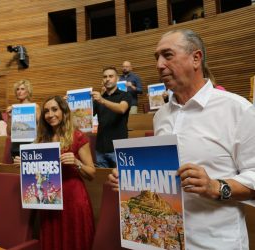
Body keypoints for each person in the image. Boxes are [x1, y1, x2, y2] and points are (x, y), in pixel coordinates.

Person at [109, 29, 255, 249]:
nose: (159, 64)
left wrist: (215, 186)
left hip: (217, 243)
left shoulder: (237, 109)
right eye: (156, 57)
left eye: (167, 55)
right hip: (166, 241)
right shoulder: (161, 117)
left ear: (196, 58)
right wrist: (131, 178)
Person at [36, 96, 95, 250]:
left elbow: (92, 173)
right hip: (50, 199)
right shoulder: (42, 139)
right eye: (46, 111)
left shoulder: (78, 136)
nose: (50, 114)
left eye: (55, 109)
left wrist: (77, 163)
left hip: (72, 198)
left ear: (64, 112)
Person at [91, 66, 131, 168]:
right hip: (100, 148)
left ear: (117, 79)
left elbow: (122, 109)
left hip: (119, 148)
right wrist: (67, 105)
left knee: (121, 181)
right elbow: (85, 117)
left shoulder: (125, 95)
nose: (107, 79)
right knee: (103, 181)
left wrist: (102, 101)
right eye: (105, 77)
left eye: (111, 76)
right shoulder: (98, 99)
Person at [7, 79, 41, 157]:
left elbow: (42, 128)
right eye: (17, 89)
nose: (19, 91)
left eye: (22, 89)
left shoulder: (35, 107)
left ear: (28, 91)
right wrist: (9, 117)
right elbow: (9, 132)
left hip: (32, 144)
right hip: (16, 146)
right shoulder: (13, 109)